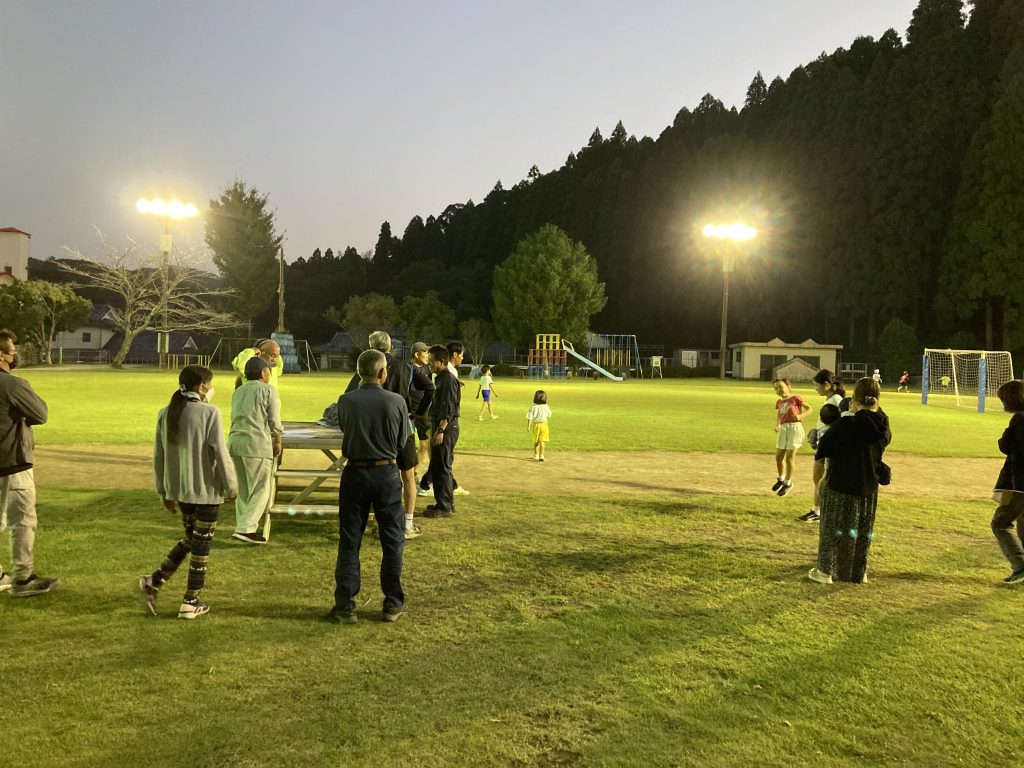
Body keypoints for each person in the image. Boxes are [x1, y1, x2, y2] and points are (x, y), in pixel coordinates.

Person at [141, 365, 237, 618]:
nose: (211, 388)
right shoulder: (209, 412)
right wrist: (231, 485)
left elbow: (159, 455)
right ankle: (190, 601)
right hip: (206, 490)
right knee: (201, 547)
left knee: (194, 539)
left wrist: (164, 491)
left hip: (181, 491)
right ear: (201, 386)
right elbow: (220, 452)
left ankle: (154, 581)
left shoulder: (166, 413)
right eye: (210, 383)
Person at [327, 349, 413, 624]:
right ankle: (392, 602)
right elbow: (402, 441)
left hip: (355, 472)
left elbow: (344, 428)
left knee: (350, 539)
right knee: (392, 538)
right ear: (382, 372)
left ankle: (345, 604)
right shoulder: (396, 401)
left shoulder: (346, 401)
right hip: (386, 472)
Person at [808, 377, 891, 585]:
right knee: (861, 530)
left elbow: (824, 447)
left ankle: (825, 571)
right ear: (877, 399)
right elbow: (883, 437)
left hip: (841, 482)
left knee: (832, 528)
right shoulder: (882, 423)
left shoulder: (847, 423)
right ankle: (857, 572)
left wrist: (848, 414)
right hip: (868, 485)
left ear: (854, 398)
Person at [0, 330, 60, 598]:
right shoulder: (12, 384)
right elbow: (40, 413)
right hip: (12, 463)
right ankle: (23, 578)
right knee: (22, 522)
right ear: (1, 355)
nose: (16, 356)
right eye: (12, 352)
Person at [228, 356, 283, 545]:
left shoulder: (239, 391)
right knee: (261, 488)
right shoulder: (268, 390)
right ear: (263, 373)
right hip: (257, 443)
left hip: (236, 442)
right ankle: (246, 529)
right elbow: (274, 420)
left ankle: (243, 527)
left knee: (244, 490)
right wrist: (278, 441)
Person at [799, 370, 846, 522]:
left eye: (816, 385)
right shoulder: (832, 399)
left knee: (820, 479)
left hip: (828, 444)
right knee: (820, 479)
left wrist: (821, 436)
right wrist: (816, 432)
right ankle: (818, 510)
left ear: (826, 384)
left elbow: (838, 423)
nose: (815, 388)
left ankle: (819, 512)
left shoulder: (835, 400)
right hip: (825, 442)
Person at [990, 380, 1024, 585]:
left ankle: (1020, 567)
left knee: (1001, 522)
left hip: (1019, 483)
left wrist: (1005, 436)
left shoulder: (1019, 419)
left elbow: (1006, 445)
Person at [422, 345, 460, 519]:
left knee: (441, 468)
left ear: (442, 361)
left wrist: (441, 430)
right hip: (442, 426)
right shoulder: (441, 378)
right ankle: (447, 503)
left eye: (432, 360)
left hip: (445, 428)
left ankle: (444, 507)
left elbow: (448, 408)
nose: (429, 363)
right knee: (441, 466)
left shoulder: (448, 379)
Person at [771, 378, 811, 497]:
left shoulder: (795, 398)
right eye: (776, 388)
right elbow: (780, 413)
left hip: (795, 428)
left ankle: (788, 483)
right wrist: (778, 424)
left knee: (789, 458)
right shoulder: (779, 402)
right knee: (778, 457)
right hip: (784, 429)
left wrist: (800, 415)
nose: (778, 390)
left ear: (788, 387)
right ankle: (781, 479)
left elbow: (810, 409)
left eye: (780, 386)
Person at [527, 390, 552, 461]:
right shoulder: (546, 407)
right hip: (544, 425)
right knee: (542, 441)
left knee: (536, 441)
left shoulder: (533, 407)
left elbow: (530, 417)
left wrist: (528, 426)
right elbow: (549, 415)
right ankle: (541, 455)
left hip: (536, 425)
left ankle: (536, 455)